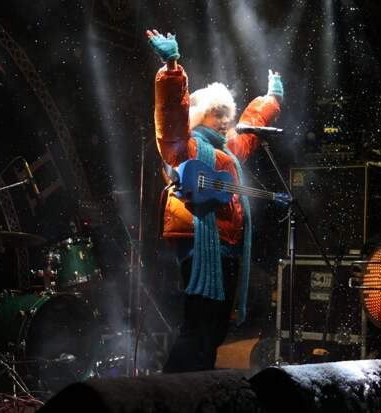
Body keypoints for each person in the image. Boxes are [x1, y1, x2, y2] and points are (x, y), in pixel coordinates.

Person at [145, 29, 284, 372]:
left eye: (227, 114)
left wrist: (271, 99)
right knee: (199, 324)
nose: (225, 121)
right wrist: (172, 66)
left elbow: (251, 126)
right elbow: (171, 116)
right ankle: (173, 389)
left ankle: (199, 385)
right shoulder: (186, 146)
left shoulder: (228, 151)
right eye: (217, 113)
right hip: (198, 241)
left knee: (217, 326)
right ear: (201, 116)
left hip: (228, 245)